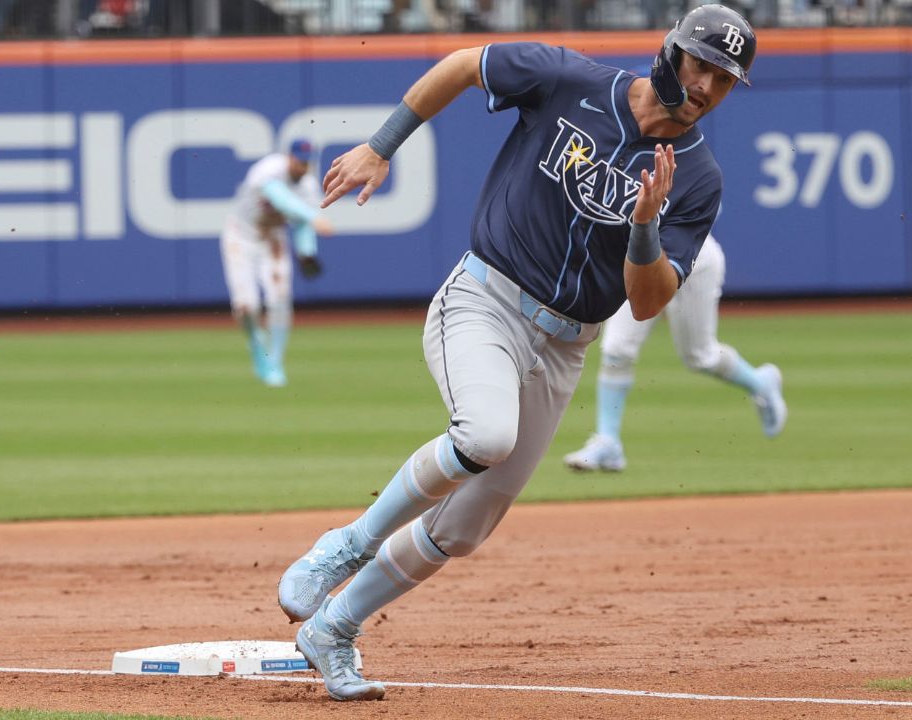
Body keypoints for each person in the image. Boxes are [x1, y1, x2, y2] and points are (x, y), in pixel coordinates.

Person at [278, 4, 756, 701]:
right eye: (704, 65)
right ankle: (345, 546)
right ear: (672, 51)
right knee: (486, 433)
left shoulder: (697, 178)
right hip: (485, 298)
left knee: (464, 528)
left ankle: (333, 628)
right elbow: (465, 65)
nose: (711, 87)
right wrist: (383, 144)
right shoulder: (569, 79)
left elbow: (649, 301)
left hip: (566, 345)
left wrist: (645, 227)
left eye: (728, 79)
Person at [562, 227, 787, 473]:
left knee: (700, 356)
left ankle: (759, 382)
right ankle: (608, 442)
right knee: (617, 349)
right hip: (638, 260)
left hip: (693, 259)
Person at [220, 139, 332, 387]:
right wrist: (314, 216)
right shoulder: (269, 168)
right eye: (298, 160)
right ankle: (258, 347)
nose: (301, 167)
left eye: (306, 162)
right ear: (288, 157)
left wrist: (307, 253)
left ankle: (275, 362)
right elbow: (278, 197)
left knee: (280, 299)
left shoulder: (308, 186)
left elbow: (301, 223)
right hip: (241, 236)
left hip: (273, 239)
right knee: (246, 306)